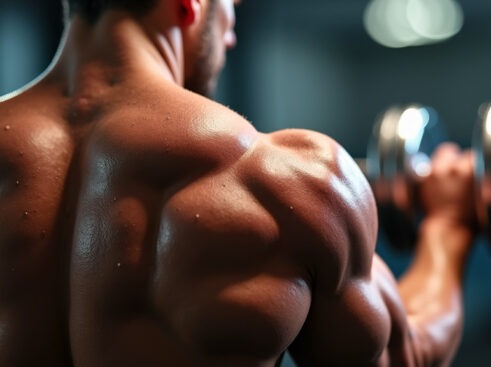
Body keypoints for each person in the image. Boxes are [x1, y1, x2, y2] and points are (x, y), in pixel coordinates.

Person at [0, 0, 478, 366]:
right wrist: (449, 226)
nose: (230, 35)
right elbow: (404, 354)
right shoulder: (283, 178)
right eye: (231, 6)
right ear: (188, 4)